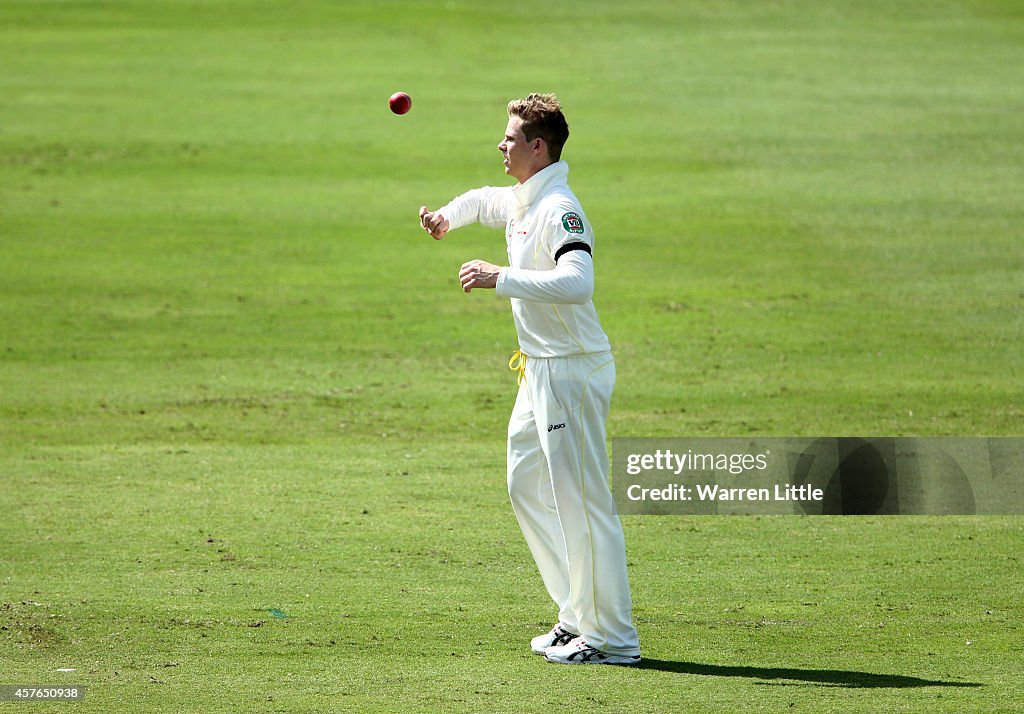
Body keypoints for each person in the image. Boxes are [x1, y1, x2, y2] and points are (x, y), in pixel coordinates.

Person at [418, 93, 640, 666]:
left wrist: (503, 277)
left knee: (582, 502)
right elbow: (482, 200)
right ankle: (574, 615)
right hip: (537, 370)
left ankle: (613, 638)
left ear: (538, 148)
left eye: (511, 138)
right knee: (525, 485)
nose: (501, 144)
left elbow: (577, 283)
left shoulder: (560, 208)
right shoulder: (524, 199)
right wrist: (447, 216)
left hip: (572, 369)